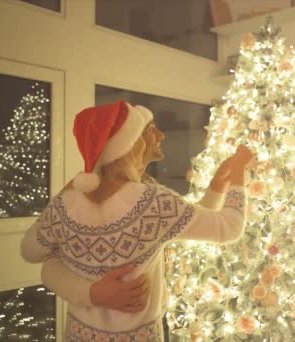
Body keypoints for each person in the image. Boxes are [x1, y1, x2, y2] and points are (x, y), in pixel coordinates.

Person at [20, 100, 254, 341]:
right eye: (146, 131)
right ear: (129, 143)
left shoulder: (69, 202)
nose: (158, 136)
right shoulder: (153, 204)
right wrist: (238, 176)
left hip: (79, 334)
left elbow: (31, 251)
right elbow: (229, 227)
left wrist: (218, 185)